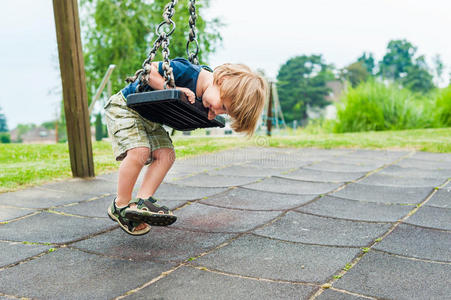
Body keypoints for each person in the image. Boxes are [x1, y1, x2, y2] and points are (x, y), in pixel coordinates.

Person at [105, 57, 267, 235]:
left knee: (167, 154)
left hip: (149, 117)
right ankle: (120, 205)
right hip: (126, 106)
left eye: (225, 113)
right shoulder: (187, 71)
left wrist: (210, 113)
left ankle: (143, 202)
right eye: (222, 106)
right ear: (222, 81)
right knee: (140, 151)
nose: (219, 112)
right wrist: (171, 88)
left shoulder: (209, 93)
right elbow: (149, 71)